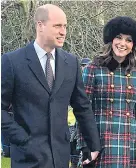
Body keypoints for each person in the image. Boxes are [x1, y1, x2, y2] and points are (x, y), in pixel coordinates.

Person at [1, 4, 100, 168]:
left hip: (60, 157)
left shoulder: (71, 63)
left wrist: (94, 144)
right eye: (57, 26)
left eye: (65, 26)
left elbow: (82, 107)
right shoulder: (12, 62)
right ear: (40, 25)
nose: (63, 32)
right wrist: (21, 138)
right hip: (26, 158)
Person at [77, 16, 136, 168]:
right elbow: (83, 111)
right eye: (119, 38)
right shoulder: (92, 69)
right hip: (99, 145)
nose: (123, 44)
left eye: (128, 40)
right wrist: (86, 146)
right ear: (111, 40)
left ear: (133, 44)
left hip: (128, 146)